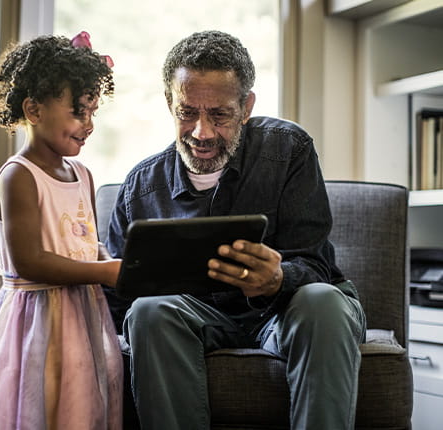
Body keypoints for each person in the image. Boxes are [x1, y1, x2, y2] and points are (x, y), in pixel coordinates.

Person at [103, 30, 367, 430]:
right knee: (148, 311)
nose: (202, 133)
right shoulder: (140, 188)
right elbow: (117, 299)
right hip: (197, 319)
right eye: (187, 112)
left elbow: (314, 264)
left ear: (246, 107)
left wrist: (277, 279)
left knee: (322, 301)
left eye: (220, 115)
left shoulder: (288, 149)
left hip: (289, 311)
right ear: (169, 104)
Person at [0, 33, 123, 429]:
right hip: (35, 322)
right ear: (34, 109)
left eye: (93, 112)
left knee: (77, 408)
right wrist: (105, 273)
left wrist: (109, 260)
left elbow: (83, 242)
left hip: (81, 315)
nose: (89, 124)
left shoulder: (82, 174)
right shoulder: (19, 176)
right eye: (79, 112)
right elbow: (29, 261)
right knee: (36, 407)